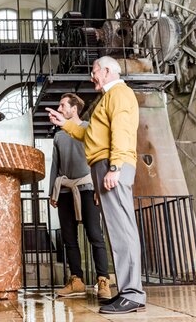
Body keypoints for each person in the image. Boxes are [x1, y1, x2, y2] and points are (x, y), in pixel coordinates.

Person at [46, 56, 146, 315]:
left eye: (94, 72)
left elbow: (122, 131)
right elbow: (89, 136)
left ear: (107, 70)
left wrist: (115, 167)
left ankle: (132, 294)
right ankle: (127, 291)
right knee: (116, 230)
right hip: (103, 164)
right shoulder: (107, 99)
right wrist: (64, 124)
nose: (92, 77)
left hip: (111, 166)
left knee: (122, 229)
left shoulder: (120, 94)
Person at [49, 93, 111, 299]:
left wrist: (98, 189)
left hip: (87, 187)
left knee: (95, 234)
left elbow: (97, 157)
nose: (59, 108)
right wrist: (52, 192)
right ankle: (76, 280)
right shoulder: (58, 136)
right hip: (65, 189)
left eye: (62, 104)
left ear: (74, 108)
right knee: (69, 238)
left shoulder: (87, 128)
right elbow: (55, 165)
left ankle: (103, 280)